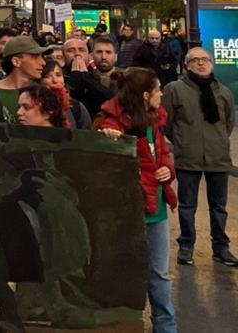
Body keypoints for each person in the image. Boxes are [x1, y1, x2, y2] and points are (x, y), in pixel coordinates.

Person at [96, 68, 178, 333]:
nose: (161, 94)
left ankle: (166, 327)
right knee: (122, 273)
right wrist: (109, 141)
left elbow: (162, 154)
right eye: (158, 90)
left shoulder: (155, 120)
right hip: (127, 212)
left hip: (157, 209)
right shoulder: (112, 124)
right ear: (145, 95)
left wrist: (167, 170)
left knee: (159, 275)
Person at [162, 48, 238, 267]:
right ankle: (186, 245)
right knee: (187, 205)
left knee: (219, 207)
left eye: (205, 59)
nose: (201, 63)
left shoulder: (223, 91)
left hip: (218, 157)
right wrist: (182, 142)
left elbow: (228, 123)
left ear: (211, 63)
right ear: (187, 65)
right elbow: (166, 123)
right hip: (188, 157)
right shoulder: (175, 89)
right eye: (195, 60)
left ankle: (221, 248)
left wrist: (219, 141)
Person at [0, 35, 48, 123]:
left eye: (42, 57)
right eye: (35, 57)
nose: (43, 62)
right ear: (16, 61)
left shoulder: (42, 92)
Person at [62, 36, 115, 118]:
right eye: (71, 51)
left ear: (89, 56)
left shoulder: (98, 74)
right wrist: (75, 75)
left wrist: (85, 75)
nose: (77, 54)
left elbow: (109, 100)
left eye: (81, 50)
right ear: (63, 56)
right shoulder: (59, 75)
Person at [39, 60, 90, 129]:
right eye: (47, 76)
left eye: (58, 75)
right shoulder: (34, 106)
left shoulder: (76, 107)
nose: (55, 80)